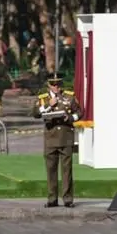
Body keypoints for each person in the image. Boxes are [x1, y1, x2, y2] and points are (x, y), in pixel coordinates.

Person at [32, 72, 82, 207]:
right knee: (51, 169)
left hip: (66, 136)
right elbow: (35, 113)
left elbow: (79, 112)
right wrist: (49, 104)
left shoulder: (69, 97)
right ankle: (52, 198)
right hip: (50, 138)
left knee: (67, 170)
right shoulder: (43, 98)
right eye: (53, 84)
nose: (56, 87)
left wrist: (71, 118)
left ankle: (67, 199)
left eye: (58, 84)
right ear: (48, 85)